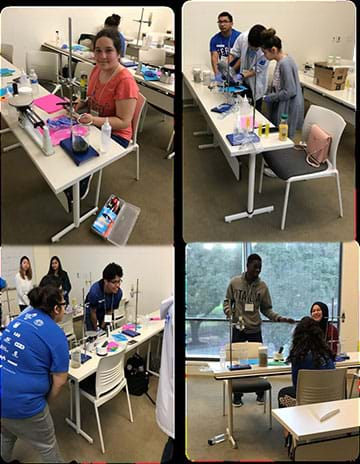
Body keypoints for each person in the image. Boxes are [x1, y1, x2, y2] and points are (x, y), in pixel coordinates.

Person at [66, 28, 139, 208]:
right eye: (98, 50)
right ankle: (74, 177)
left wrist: (92, 120)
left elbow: (123, 121)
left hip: (116, 134)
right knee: (68, 139)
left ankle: (82, 179)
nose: (102, 56)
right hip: (95, 123)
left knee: (81, 148)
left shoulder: (125, 81)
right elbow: (91, 98)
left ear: (119, 52)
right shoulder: (96, 70)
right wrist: (80, 103)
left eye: (109, 50)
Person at [0, 285, 69, 463]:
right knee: (47, 445)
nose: (65, 307)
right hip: (24, 403)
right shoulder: (56, 334)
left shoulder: (19, 320)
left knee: (7, 434)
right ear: (56, 308)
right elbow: (60, 381)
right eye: (64, 303)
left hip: (2, 395)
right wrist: (45, 403)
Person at [223, 253, 295, 406]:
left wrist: (280, 318)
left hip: (255, 329)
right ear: (247, 266)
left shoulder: (262, 287)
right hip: (239, 329)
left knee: (259, 363)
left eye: (260, 268)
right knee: (237, 364)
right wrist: (230, 314)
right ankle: (237, 394)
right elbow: (227, 302)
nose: (257, 271)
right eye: (255, 267)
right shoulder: (235, 283)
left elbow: (267, 309)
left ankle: (260, 393)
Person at [277, 317, 335, 446]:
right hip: (330, 399)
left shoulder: (299, 357)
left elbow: (297, 385)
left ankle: (289, 435)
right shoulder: (328, 355)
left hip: (307, 400)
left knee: (283, 393)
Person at [261, 28, 304, 138]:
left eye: (265, 52)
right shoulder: (283, 60)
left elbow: (290, 91)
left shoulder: (285, 63)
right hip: (285, 102)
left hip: (289, 105)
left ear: (274, 50)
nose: (264, 56)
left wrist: (270, 98)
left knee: (284, 137)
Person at [225, 24, 269, 111]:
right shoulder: (243, 37)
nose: (251, 48)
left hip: (256, 82)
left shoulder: (266, 50)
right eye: (250, 45)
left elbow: (256, 70)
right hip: (244, 82)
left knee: (254, 111)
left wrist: (240, 75)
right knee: (242, 106)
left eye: (255, 48)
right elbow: (233, 54)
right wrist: (225, 66)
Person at [156, 295, 174, 463]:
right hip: (172, 387)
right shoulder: (174, 310)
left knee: (172, 441)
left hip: (170, 385)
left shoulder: (171, 308)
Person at [85, 262, 123, 331]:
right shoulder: (94, 292)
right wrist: (96, 329)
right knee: (93, 335)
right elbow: (93, 312)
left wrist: (102, 327)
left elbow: (110, 311)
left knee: (106, 331)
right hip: (92, 312)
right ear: (105, 281)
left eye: (119, 281)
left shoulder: (118, 293)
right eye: (114, 282)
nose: (118, 285)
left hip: (106, 312)